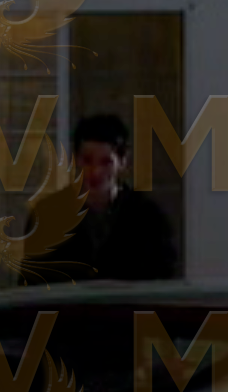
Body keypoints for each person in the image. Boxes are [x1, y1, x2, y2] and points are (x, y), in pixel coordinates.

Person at [21, 114, 178, 284]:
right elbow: (31, 283)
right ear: (76, 160)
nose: (95, 172)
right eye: (87, 160)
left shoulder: (148, 218)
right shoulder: (47, 216)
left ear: (122, 162)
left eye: (106, 162)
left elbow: (164, 282)